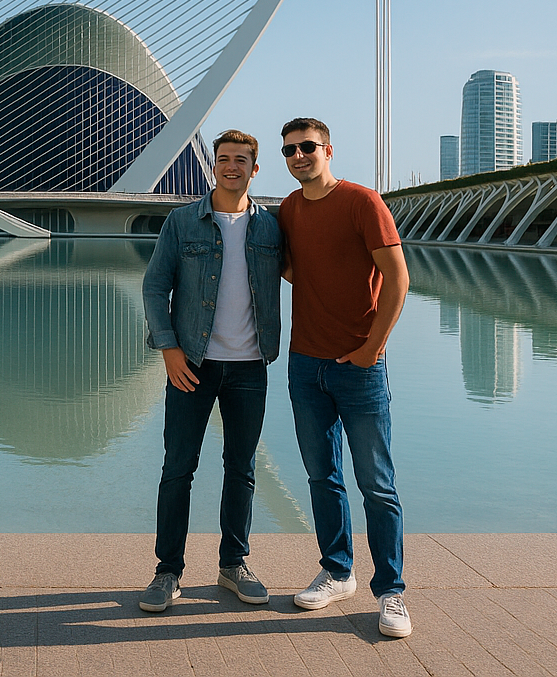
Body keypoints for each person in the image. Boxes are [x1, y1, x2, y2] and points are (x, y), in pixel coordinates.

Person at [137, 129, 284, 612]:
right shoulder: (182, 223)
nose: (232, 167)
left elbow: (316, 271)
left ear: (255, 169)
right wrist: (169, 350)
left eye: (242, 160)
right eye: (224, 159)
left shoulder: (272, 228)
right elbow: (155, 288)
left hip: (249, 368)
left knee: (241, 470)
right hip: (192, 365)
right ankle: (167, 571)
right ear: (212, 165)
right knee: (178, 469)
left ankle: (233, 564)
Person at [276, 117, 412, 638]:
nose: (299, 156)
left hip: (359, 367)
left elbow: (399, 278)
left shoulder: (362, 202)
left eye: (307, 147)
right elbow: (293, 266)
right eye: (290, 151)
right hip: (305, 365)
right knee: (321, 476)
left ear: (328, 150)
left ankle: (392, 592)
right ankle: (337, 571)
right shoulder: (289, 208)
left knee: (377, 484)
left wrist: (370, 349)